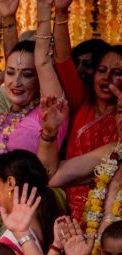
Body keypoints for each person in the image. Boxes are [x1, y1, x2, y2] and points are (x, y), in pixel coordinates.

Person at [0, 0, 67, 236]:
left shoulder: (49, 113)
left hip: (27, 219)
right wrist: (7, 18)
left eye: (27, 75)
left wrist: (45, 10)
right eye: (10, 73)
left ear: (39, 78)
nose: (16, 82)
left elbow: (42, 61)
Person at [52, 1, 120, 222]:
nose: (107, 77)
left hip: (111, 211)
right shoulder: (82, 102)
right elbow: (62, 61)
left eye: (117, 72)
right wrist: (60, 13)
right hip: (68, 210)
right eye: (102, 70)